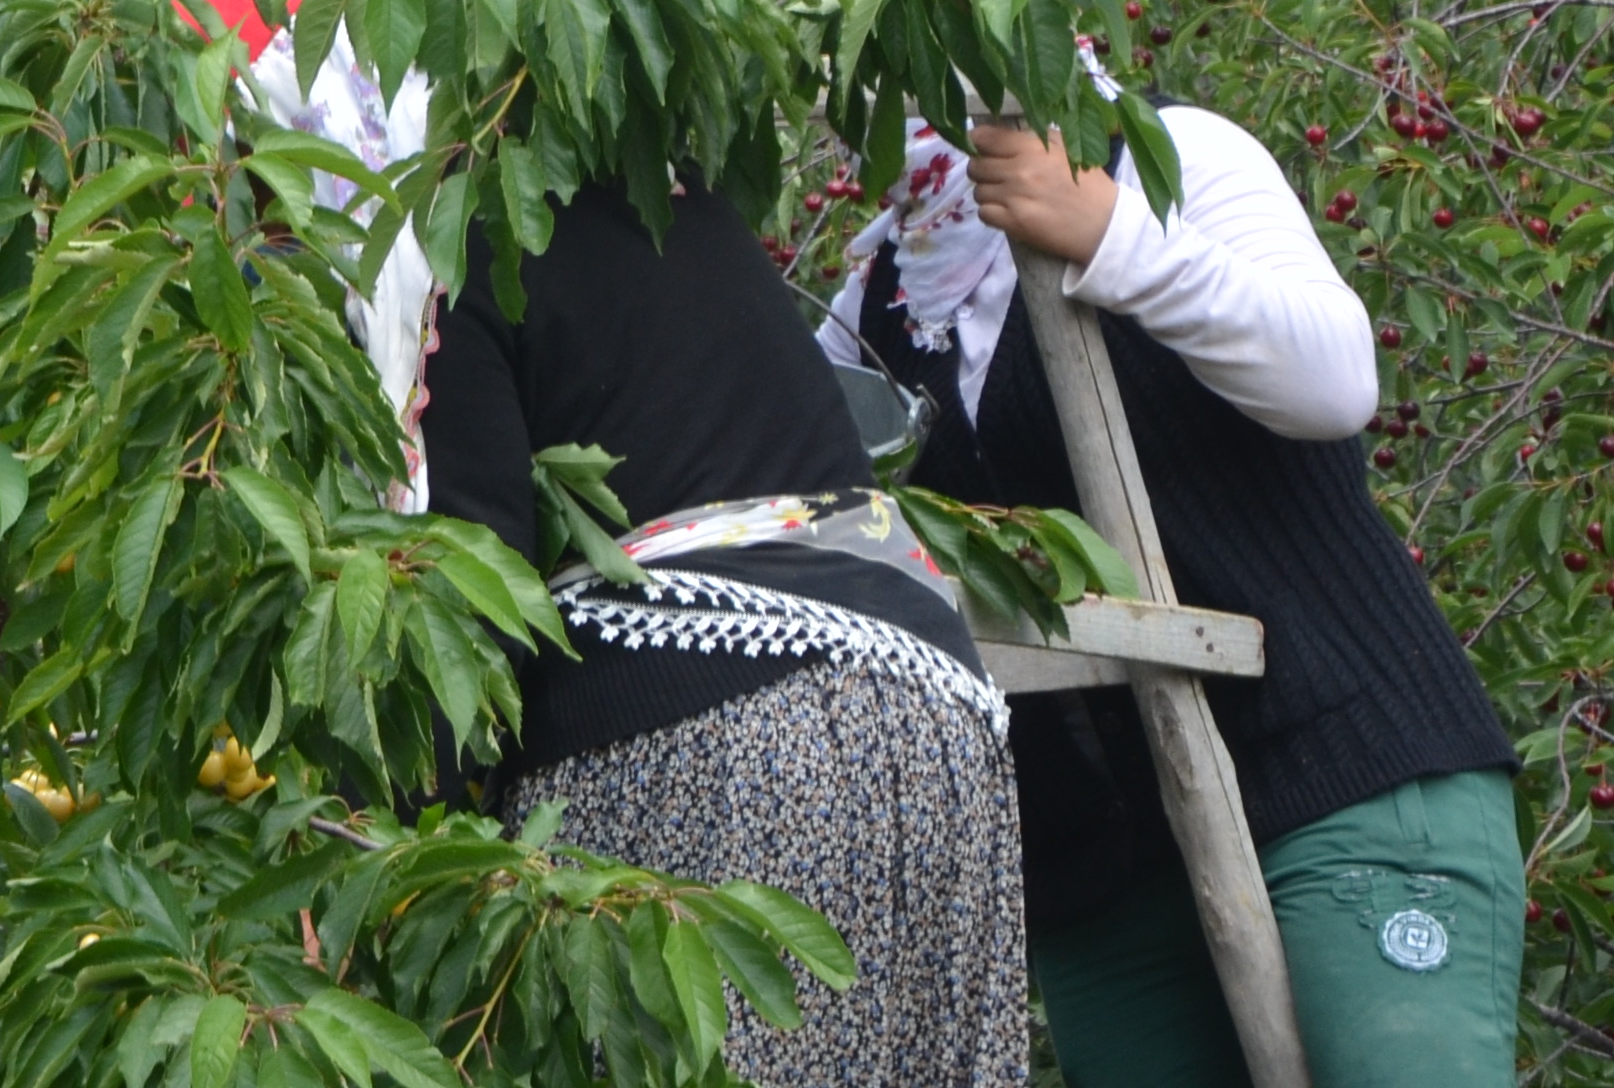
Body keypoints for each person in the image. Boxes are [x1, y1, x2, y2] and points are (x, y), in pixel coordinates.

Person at [830, 103, 1523, 1085]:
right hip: (1105, 872)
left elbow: (1332, 381)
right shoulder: (877, 306)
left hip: (1338, 772)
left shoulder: (1167, 153)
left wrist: (1112, 235)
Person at [424, 174, 1032, 1085]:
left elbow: (477, 607)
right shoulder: (666, 190)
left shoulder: (451, 248)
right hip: (937, 719)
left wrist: (365, 837)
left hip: (725, 751)